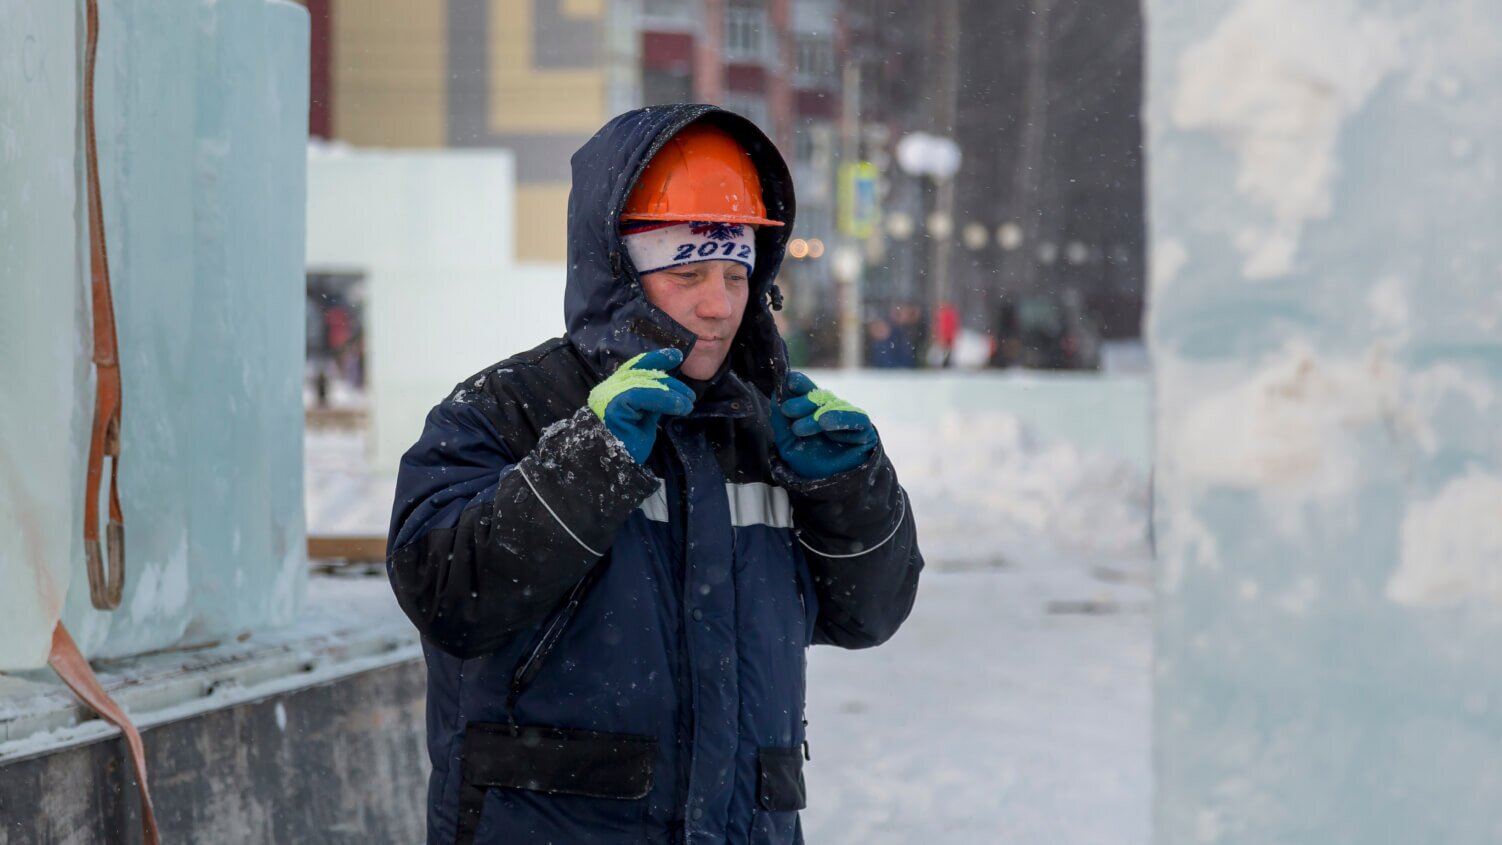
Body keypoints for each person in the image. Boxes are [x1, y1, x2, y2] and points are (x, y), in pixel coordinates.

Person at [386, 105, 923, 845]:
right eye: (688, 270)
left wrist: (852, 494)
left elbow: (871, 613)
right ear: (620, 271)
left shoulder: (764, 429)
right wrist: (588, 462)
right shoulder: (505, 411)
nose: (719, 304)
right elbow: (443, 590)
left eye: (737, 273)